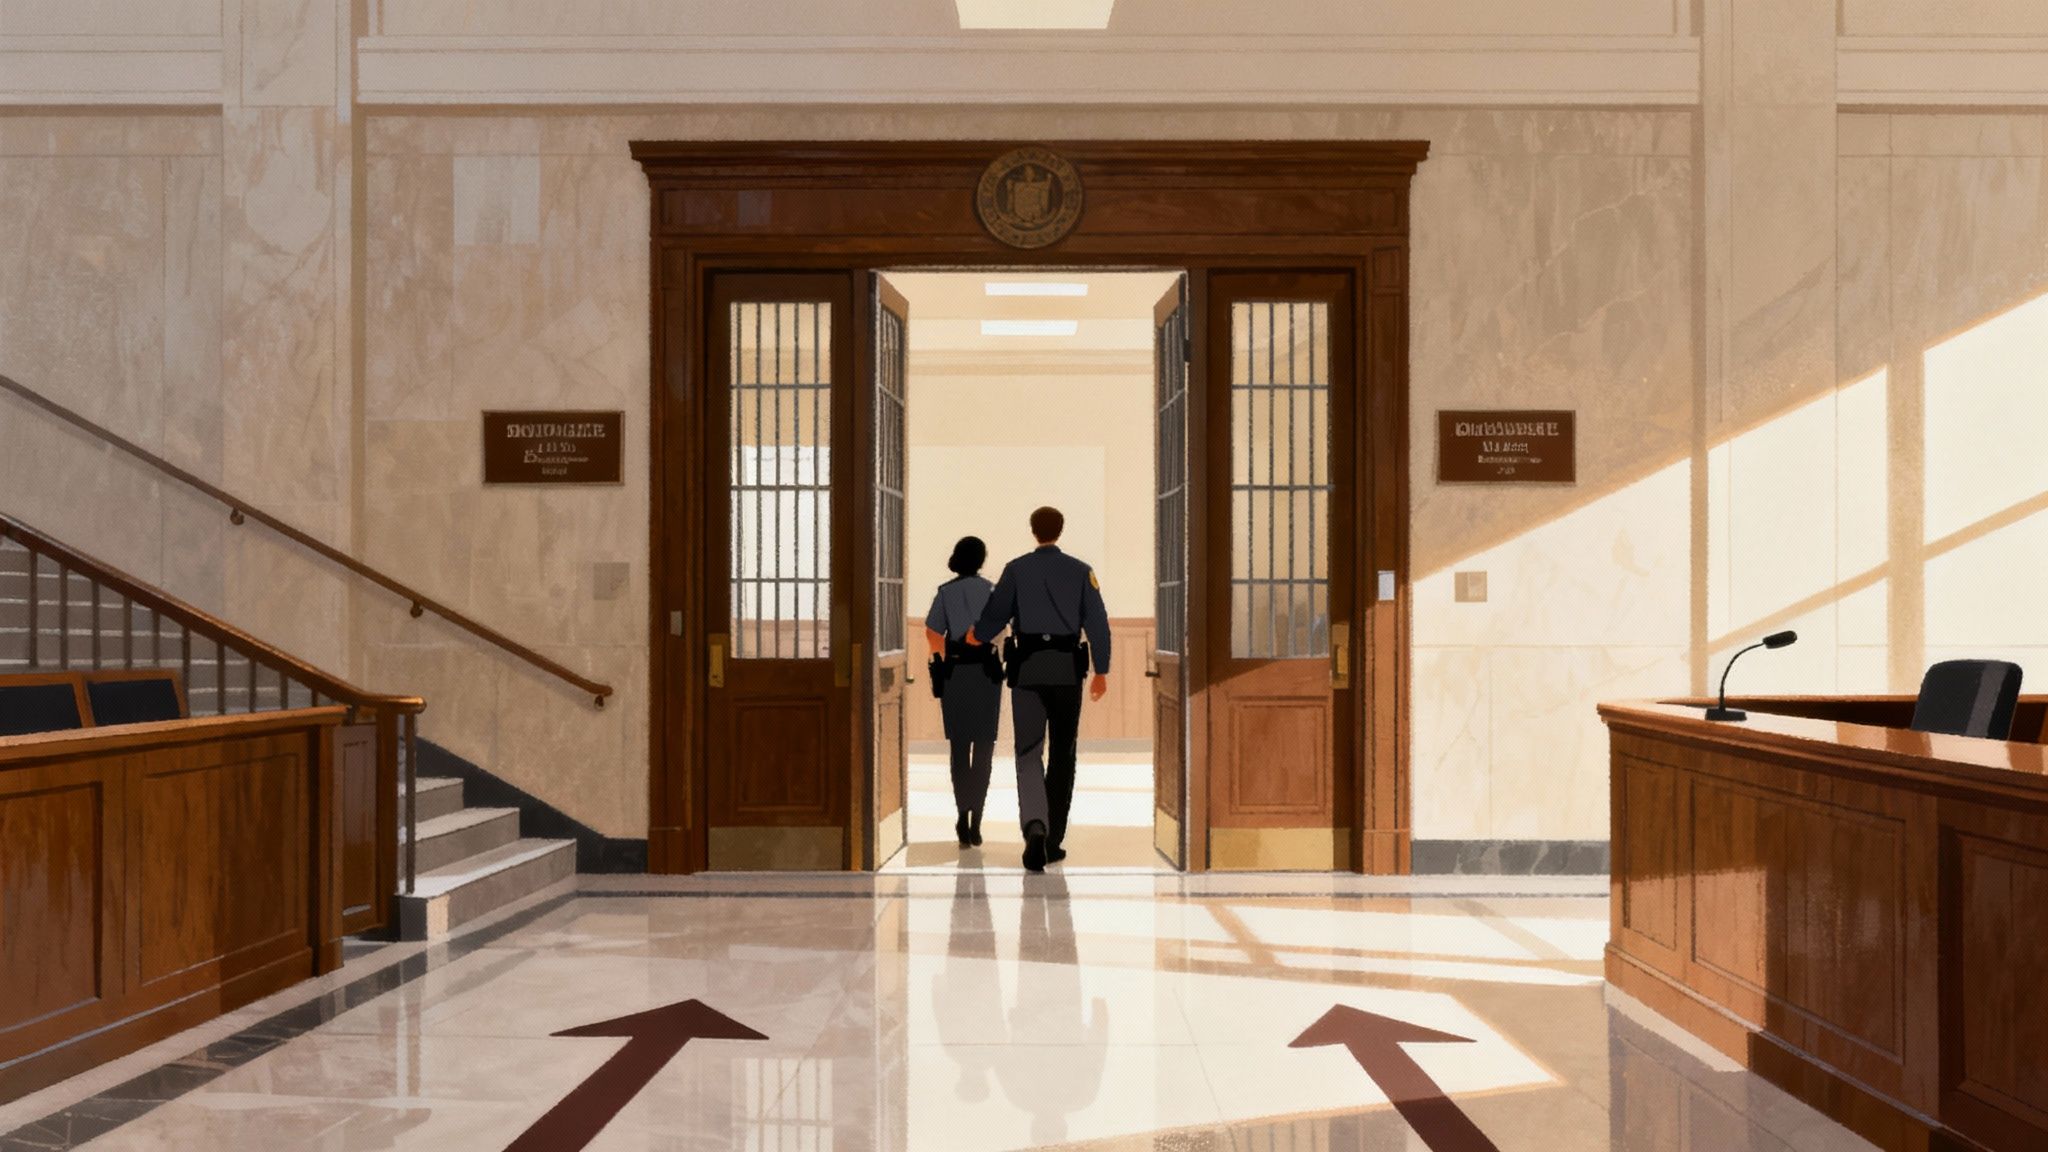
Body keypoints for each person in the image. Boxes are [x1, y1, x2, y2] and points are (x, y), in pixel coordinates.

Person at [964, 506, 1111, 872]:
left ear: (1034, 531)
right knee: (1064, 753)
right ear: (1060, 530)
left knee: (1028, 752)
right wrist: (1101, 671)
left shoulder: (1016, 569)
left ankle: (1035, 827)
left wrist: (976, 635)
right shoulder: (1081, 572)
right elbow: (1098, 623)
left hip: (1027, 671)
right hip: (1067, 673)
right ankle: (1053, 840)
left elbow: (996, 615)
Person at [924, 535, 1003, 848]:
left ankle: (961, 814)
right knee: (984, 747)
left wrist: (945, 655)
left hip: (956, 674)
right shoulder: (993, 592)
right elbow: (1002, 631)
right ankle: (977, 821)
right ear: (981, 560)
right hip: (986, 674)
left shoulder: (946, 592)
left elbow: (932, 633)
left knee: (959, 748)